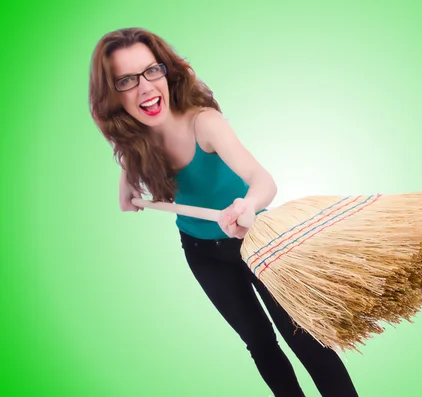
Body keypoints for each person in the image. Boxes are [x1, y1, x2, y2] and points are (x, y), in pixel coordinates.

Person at [88, 27, 359, 397]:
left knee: (306, 339)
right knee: (261, 345)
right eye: (127, 80)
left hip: (258, 243)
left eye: (152, 71)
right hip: (203, 254)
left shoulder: (204, 123)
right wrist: (127, 165)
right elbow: (127, 202)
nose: (146, 87)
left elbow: (262, 179)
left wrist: (247, 204)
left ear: (166, 71)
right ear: (113, 94)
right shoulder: (137, 141)